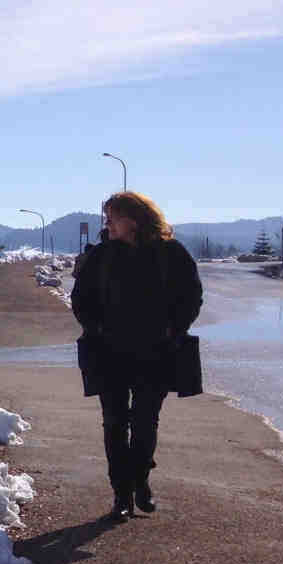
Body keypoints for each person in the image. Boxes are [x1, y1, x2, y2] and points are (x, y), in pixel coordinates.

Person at [70, 192, 202, 521]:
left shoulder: (171, 253)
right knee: (114, 423)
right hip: (109, 352)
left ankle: (139, 479)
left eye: (112, 217)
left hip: (156, 353)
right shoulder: (100, 256)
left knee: (145, 422)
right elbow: (81, 299)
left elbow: (191, 296)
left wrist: (175, 328)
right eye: (107, 218)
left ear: (134, 219)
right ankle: (121, 494)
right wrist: (96, 328)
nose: (108, 224)